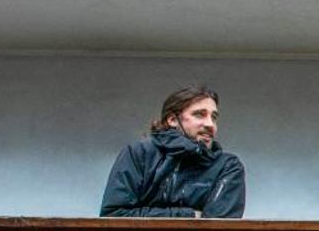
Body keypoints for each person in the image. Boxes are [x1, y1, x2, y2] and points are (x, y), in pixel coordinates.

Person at [100, 84, 246, 221]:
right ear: (172, 120)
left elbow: (218, 228)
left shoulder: (227, 167)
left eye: (213, 117)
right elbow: (114, 216)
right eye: (199, 115)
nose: (210, 124)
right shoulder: (138, 154)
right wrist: (189, 215)